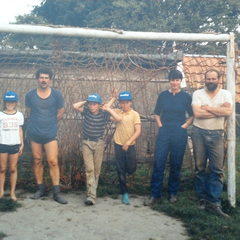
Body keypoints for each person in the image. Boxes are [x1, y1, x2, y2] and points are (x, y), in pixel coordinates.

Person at [144, 69, 194, 206]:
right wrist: (160, 126)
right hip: (164, 131)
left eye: (177, 80)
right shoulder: (163, 96)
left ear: (180, 81)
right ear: (169, 81)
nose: (174, 83)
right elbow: (156, 113)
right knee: (159, 162)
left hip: (179, 132)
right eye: (172, 80)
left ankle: (172, 193)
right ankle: (155, 194)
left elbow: (192, 114)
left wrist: (184, 126)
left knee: (176, 163)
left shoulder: (186, 97)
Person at [191, 69, 233, 218]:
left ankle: (214, 202)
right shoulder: (197, 94)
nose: (210, 81)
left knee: (217, 169)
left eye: (213, 79)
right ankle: (202, 199)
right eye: (208, 79)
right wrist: (219, 110)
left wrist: (207, 108)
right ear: (205, 80)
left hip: (216, 134)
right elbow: (197, 114)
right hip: (199, 133)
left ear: (218, 80)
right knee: (200, 168)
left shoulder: (226, 94)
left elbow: (228, 112)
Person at [25, 67, 67, 204]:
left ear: (50, 80)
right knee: (37, 159)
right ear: (37, 79)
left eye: (46, 78)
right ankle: (40, 189)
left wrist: (49, 123)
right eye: (41, 77)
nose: (44, 80)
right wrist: (38, 124)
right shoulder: (30, 95)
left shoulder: (56, 95)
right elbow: (29, 113)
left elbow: (60, 113)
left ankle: (56, 193)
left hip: (50, 133)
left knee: (53, 161)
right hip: (34, 132)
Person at [73, 90, 120, 206]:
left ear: (99, 105)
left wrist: (108, 107)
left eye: (94, 104)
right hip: (86, 143)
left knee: (96, 170)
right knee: (89, 169)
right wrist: (87, 100)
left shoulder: (104, 115)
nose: (92, 106)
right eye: (90, 104)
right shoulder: (86, 112)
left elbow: (118, 119)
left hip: (98, 144)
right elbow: (75, 106)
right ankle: (91, 196)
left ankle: (91, 193)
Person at [111, 91, 141, 205]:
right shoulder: (118, 112)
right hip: (118, 144)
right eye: (122, 103)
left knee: (132, 168)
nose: (124, 105)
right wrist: (113, 98)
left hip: (130, 145)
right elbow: (107, 108)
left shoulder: (135, 114)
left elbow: (138, 131)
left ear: (130, 102)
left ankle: (128, 179)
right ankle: (124, 193)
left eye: (127, 102)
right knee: (120, 169)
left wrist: (128, 142)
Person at [0, 91, 24, 201]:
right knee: (2, 168)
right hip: (3, 144)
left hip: (14, 144)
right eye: (8, 102)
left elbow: (20, 130)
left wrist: (21, 144)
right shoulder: (1, 114)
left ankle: (12, 192)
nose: (10, 104)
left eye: (12, 102)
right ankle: (1, 191)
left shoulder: (19, 115)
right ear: (4, 103)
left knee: (13, 169)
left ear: (16, 103)